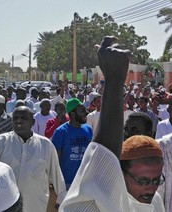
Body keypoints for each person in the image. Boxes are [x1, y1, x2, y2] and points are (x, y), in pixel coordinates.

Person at [60, 36, 166, 211]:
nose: (151, 188)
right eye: (142, 180)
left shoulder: (156, 203)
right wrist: (114, 80)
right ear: (120, 173)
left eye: (156, 180)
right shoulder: (95, 205)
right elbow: (103, 161)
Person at [0, 106, 66, 212]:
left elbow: (56, 174)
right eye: (15, 118)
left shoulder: (45, 144)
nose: (19, 121)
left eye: (24, 118)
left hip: (36, 204)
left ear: (33, 122)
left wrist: (61, 200)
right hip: (7, 206)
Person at [51, 98, 92, 189]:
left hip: (84, 181)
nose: (86, 112)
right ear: (73, 114)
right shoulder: (61, 132)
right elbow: (55, 160)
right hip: (66, 183)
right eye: (82, 110)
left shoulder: (88, 129)